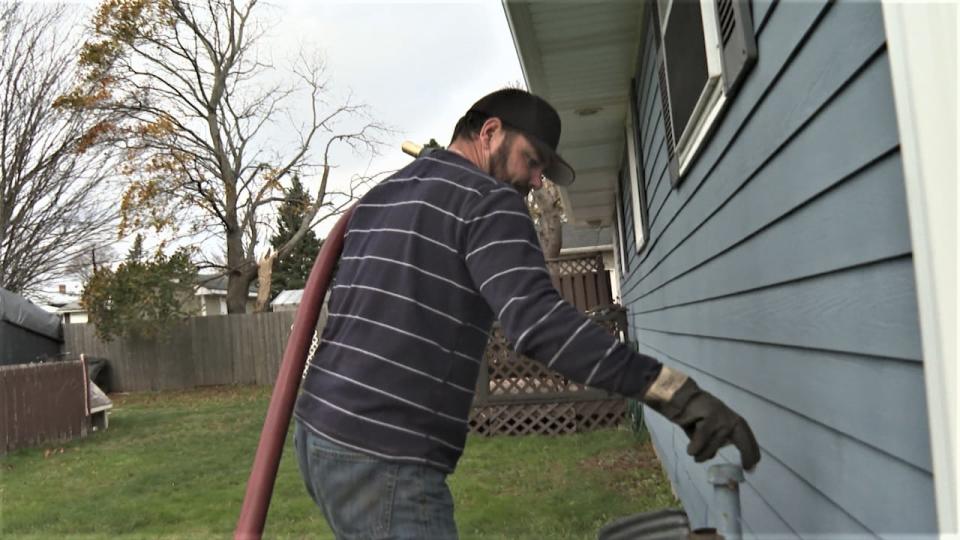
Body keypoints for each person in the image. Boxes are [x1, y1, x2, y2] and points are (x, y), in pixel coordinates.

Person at [293, 88, 760, 539]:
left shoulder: (384, 195)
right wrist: (674, 393)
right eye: (532, 160)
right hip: (385, 454)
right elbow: (540, 326)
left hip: (319, 431)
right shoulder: (487, 200)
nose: (537, 180)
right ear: (490, 132)